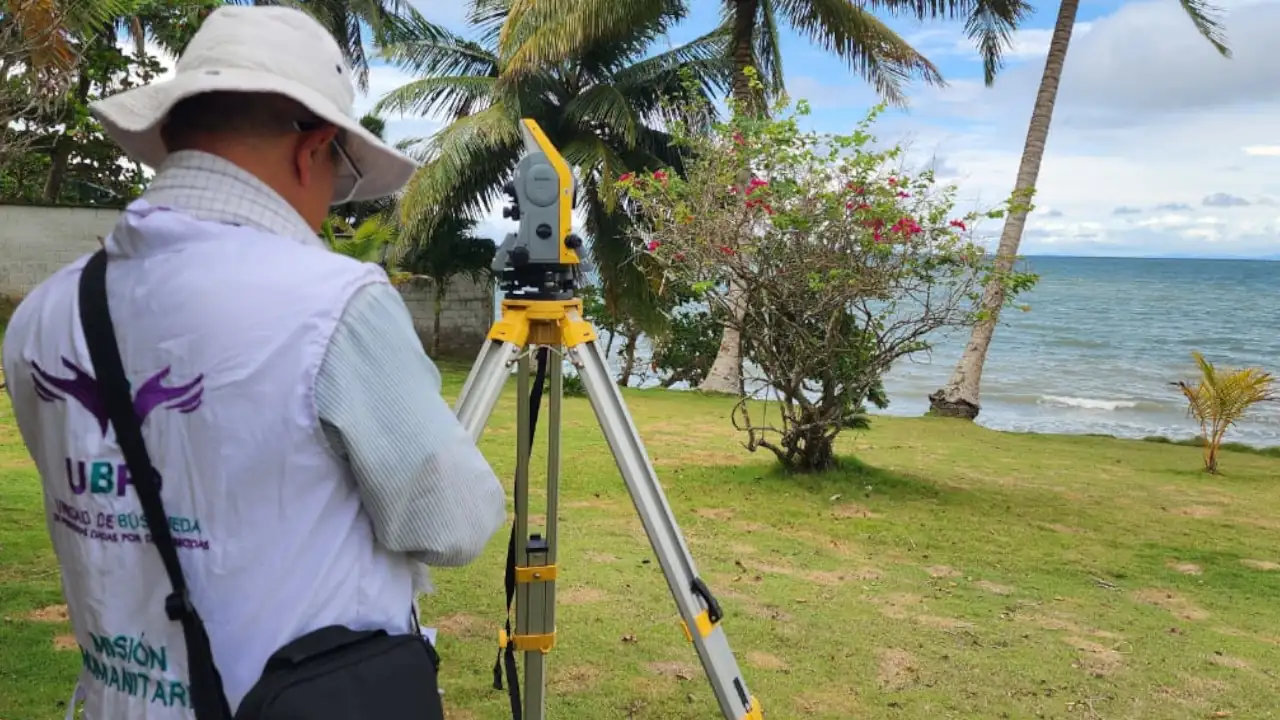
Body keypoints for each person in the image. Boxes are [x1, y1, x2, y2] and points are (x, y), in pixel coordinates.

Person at [0, 6, 508, 718]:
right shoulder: (333, 304)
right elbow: (453, 521)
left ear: (174, 137)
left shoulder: (44, 317)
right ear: (313, 151)